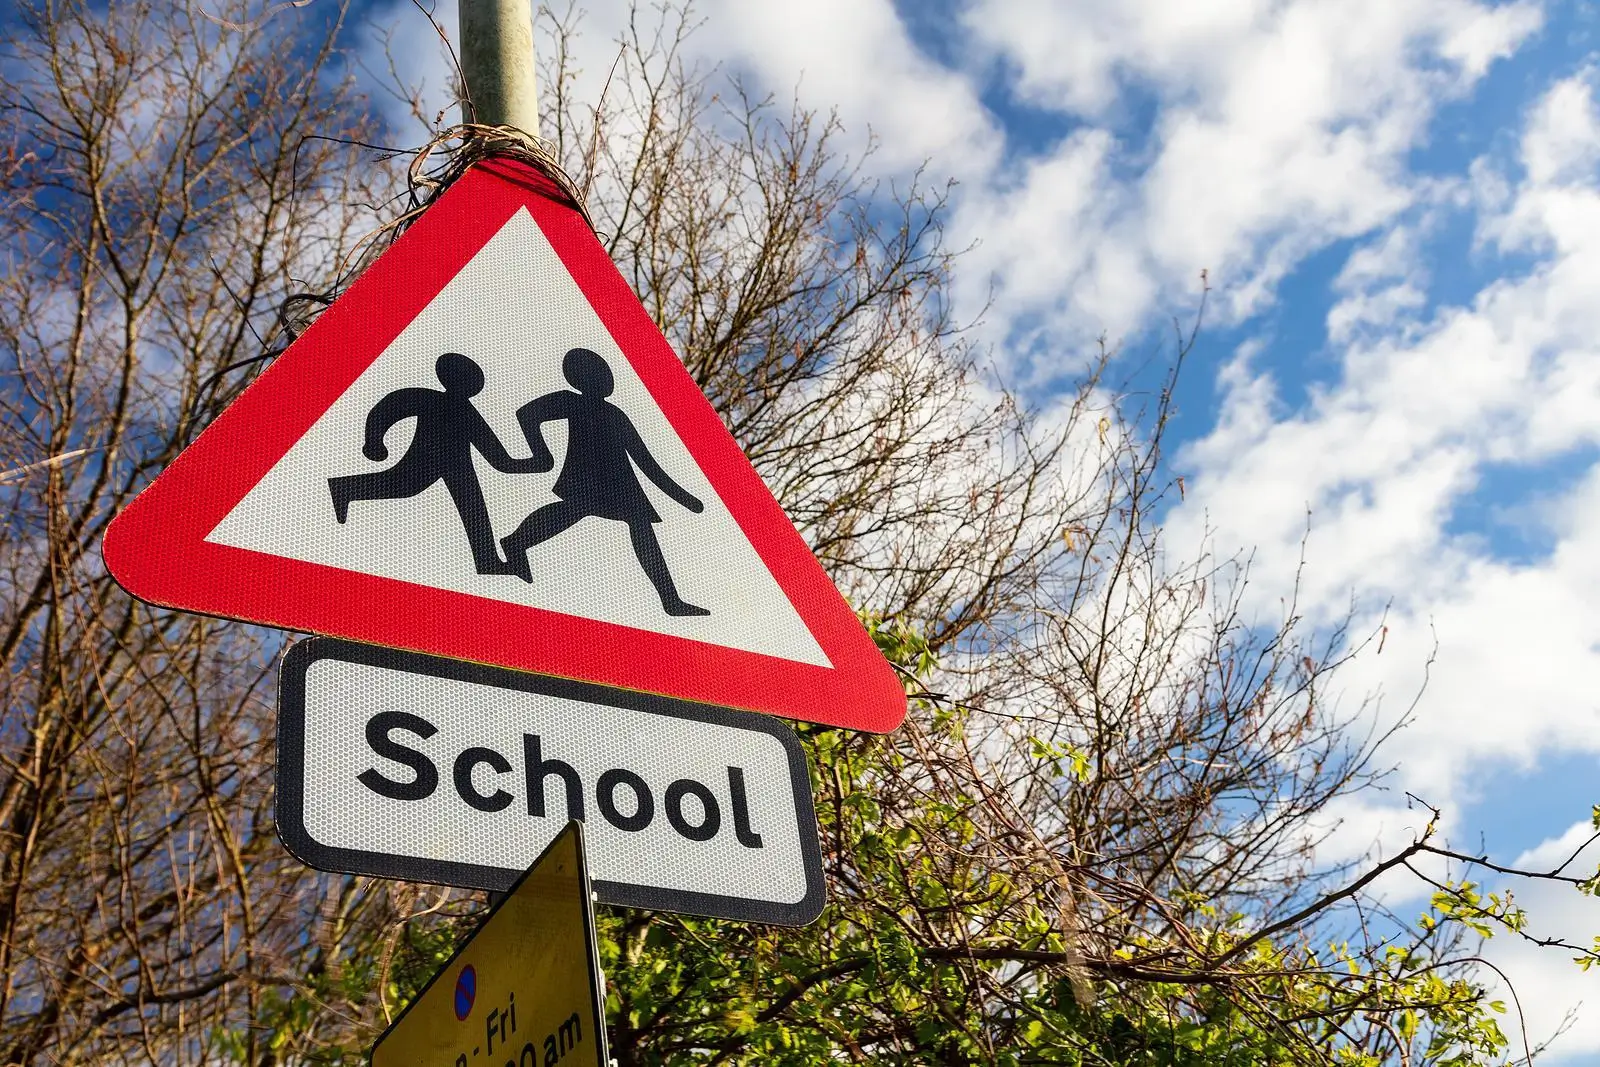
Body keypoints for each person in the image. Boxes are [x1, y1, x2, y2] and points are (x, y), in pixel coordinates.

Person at [501, 347, 710, 617]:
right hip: (586, 476)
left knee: (636, 525)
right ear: (580, 377)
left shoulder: (615, 414)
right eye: (600, 374)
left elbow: (646, 462)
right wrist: (541, 453)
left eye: (606, 373)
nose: (607, 379)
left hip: (620, 483)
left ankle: (671, 600)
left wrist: (684, 498)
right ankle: (515, 543)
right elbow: (528, 414)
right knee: (571, 512)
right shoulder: (571, 401)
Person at [328, 352, 544, 575]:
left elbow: (498, 459)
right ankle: (344, 488)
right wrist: (374, 442)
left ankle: (488, 561)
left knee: (474, 510)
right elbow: (388, 408)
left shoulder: (466, 412)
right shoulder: (432, 399)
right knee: (404, 486)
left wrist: (534, 465)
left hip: (459, 468)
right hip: (427, 459)